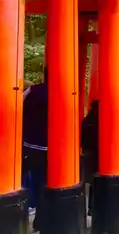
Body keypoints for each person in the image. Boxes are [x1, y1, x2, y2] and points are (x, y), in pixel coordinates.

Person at [81, 100, 119, 215]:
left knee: (94, 181)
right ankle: (112, 207)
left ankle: (92, 208)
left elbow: (82, 139)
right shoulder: (117, 114)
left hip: (91, 154)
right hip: (110, 152)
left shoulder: (87, 120)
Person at [22, 68, 49, 231]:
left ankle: (26, 210)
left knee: (27, 178)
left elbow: (18, 107)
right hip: (52, 147)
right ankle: (42, 221)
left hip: (29, 144)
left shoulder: (33, 90)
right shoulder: (65, 90)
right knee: (46, 184)